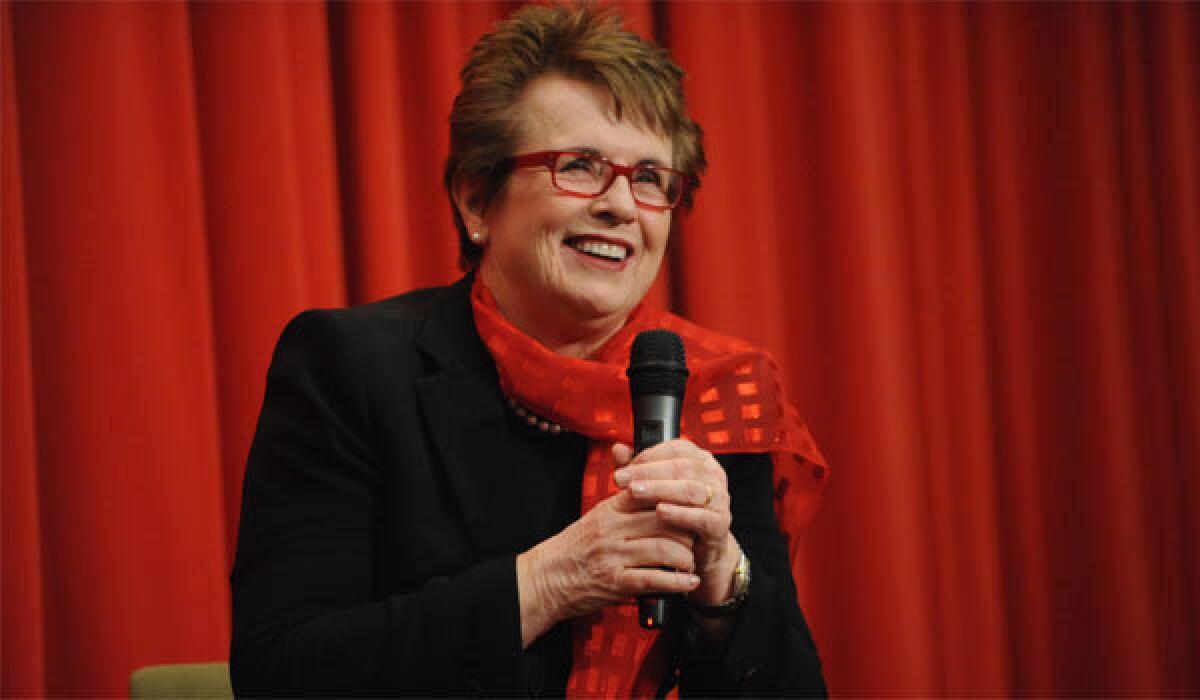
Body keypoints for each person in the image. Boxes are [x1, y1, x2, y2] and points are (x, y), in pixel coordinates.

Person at [230, 3, 828, 696]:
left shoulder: (714, 393)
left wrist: (724, 578)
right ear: (477, 200)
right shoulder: (350, 369)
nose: (621, 206)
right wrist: (551, 580)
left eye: (650, 179)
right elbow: (282, 674)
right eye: (579, 165)